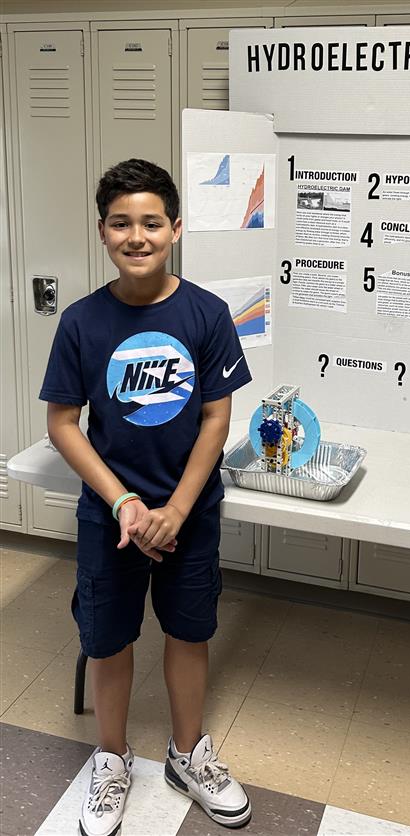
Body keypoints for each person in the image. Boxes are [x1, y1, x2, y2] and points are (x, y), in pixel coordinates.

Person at [39, 158, 253, 836]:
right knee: (108, 639)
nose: (137, 236)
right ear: (102, 231)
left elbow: (217, 418)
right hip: (113, 518)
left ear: (176, 229)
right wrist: (124, 503)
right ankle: (111, 759)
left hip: (189, 512)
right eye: (121, 223)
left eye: (152, 223)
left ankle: (189, 755)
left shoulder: (206, 313)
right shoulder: (82, 322)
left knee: (190, 631)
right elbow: (63, 423)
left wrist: (177, 510)